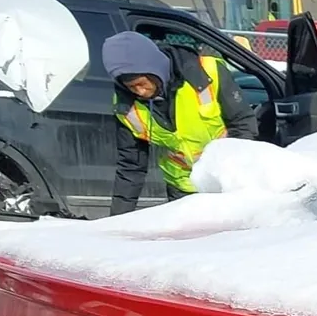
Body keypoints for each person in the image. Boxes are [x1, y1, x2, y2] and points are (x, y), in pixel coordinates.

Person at [102, 31, 257, 215]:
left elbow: (243, 124)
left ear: (154, 68)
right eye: (131, 87)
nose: (140, 92)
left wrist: (234, 177)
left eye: (141, 83)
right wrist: (117, 219)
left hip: (223, 185)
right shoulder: (127, 107)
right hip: (181, 191)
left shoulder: (208, 73)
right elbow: (131, 166)